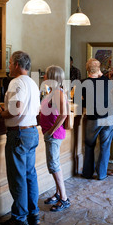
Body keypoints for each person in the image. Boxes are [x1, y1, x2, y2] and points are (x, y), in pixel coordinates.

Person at [0, 51, 40, 225]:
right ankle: (33, 214)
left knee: (18, 177)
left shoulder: (16, 82)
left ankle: (19, 218)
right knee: (29, 175)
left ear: (17, 65)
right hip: (31, 131)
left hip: (18, 134)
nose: (9, 65)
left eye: (10, 62)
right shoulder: (32, 83)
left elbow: (16, 110)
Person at [40, 65, 71, 212]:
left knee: (54, 165)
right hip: (51, 133)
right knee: (54, 164)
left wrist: (51, 131)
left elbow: (63, 114)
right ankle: (58, 194)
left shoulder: (58, 93)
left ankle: (64, 198)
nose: (44, 77)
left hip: (54, 135)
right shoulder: (52, 92)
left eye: (46, 75)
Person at [81, 58, 113, 180]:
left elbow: (78, 102)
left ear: (87, 69)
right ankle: (101, 174)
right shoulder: (107, 81)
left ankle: (87, 173)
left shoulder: (83, 82)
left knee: (89, 146)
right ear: (99, 69)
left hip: (93, 117)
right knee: (105, 147)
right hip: (108, 117)